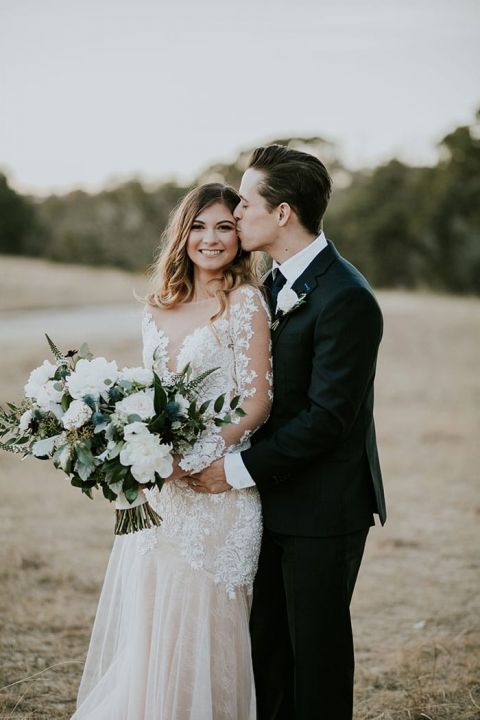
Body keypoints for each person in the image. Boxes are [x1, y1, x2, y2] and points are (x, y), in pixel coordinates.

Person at [192, 146, 387, 720]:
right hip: (270, 501)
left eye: (246, 203)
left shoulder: (347, 297)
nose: (236, 210)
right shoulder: (269, 285)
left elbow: (329, 420)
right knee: (270, 652)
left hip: (325, 509)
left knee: (317, 660)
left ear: (282, 214)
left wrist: (231, 471)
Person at [72, 183, 273, 719]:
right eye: (200, 226)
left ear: (240, 236)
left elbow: (255, 404)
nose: (211, 239)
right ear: (183, 234)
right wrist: (131, 449)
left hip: (218, 496)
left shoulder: (246, 302)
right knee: (155, 621)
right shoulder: (160, 306)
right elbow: (152, 398)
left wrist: (194, 461)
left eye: (226, 226)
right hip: (162, 498)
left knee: (209, 628)